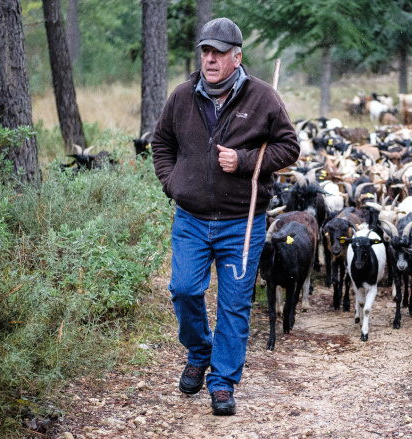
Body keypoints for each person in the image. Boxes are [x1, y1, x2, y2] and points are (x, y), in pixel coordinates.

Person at [151, 17, 299, 416]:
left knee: (234, 305)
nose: (210, 59)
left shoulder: (263, 98)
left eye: (218, 52)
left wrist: (247, 161)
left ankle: (222, 383)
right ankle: (199, 351)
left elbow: (289, 147)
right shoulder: (182, 97)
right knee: (183, 289)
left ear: (237, 57)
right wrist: (173, 182)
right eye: (205, 51)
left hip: (242, 221)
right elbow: (161, 143)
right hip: (192, 220)